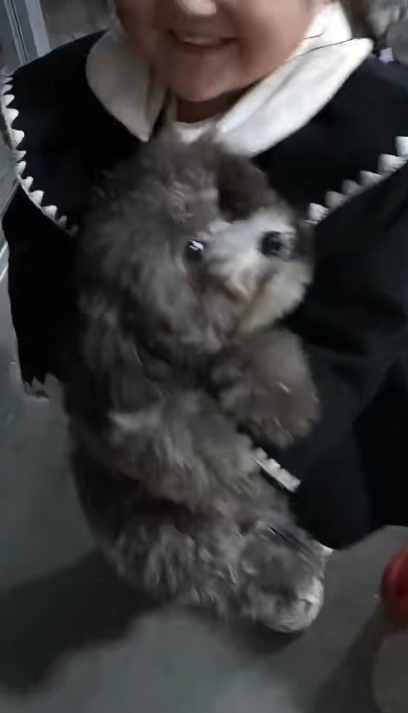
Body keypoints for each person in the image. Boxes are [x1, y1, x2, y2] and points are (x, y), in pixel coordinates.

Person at [1, 0, 408, 556]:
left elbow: (356, 334)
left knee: (280, 531)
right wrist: (66, 373)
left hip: (288, 438)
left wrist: (219, 456)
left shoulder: (379, 145)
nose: (190, 5)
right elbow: (42, 249)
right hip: (125, 409)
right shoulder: (68, 96)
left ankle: (282, 563)